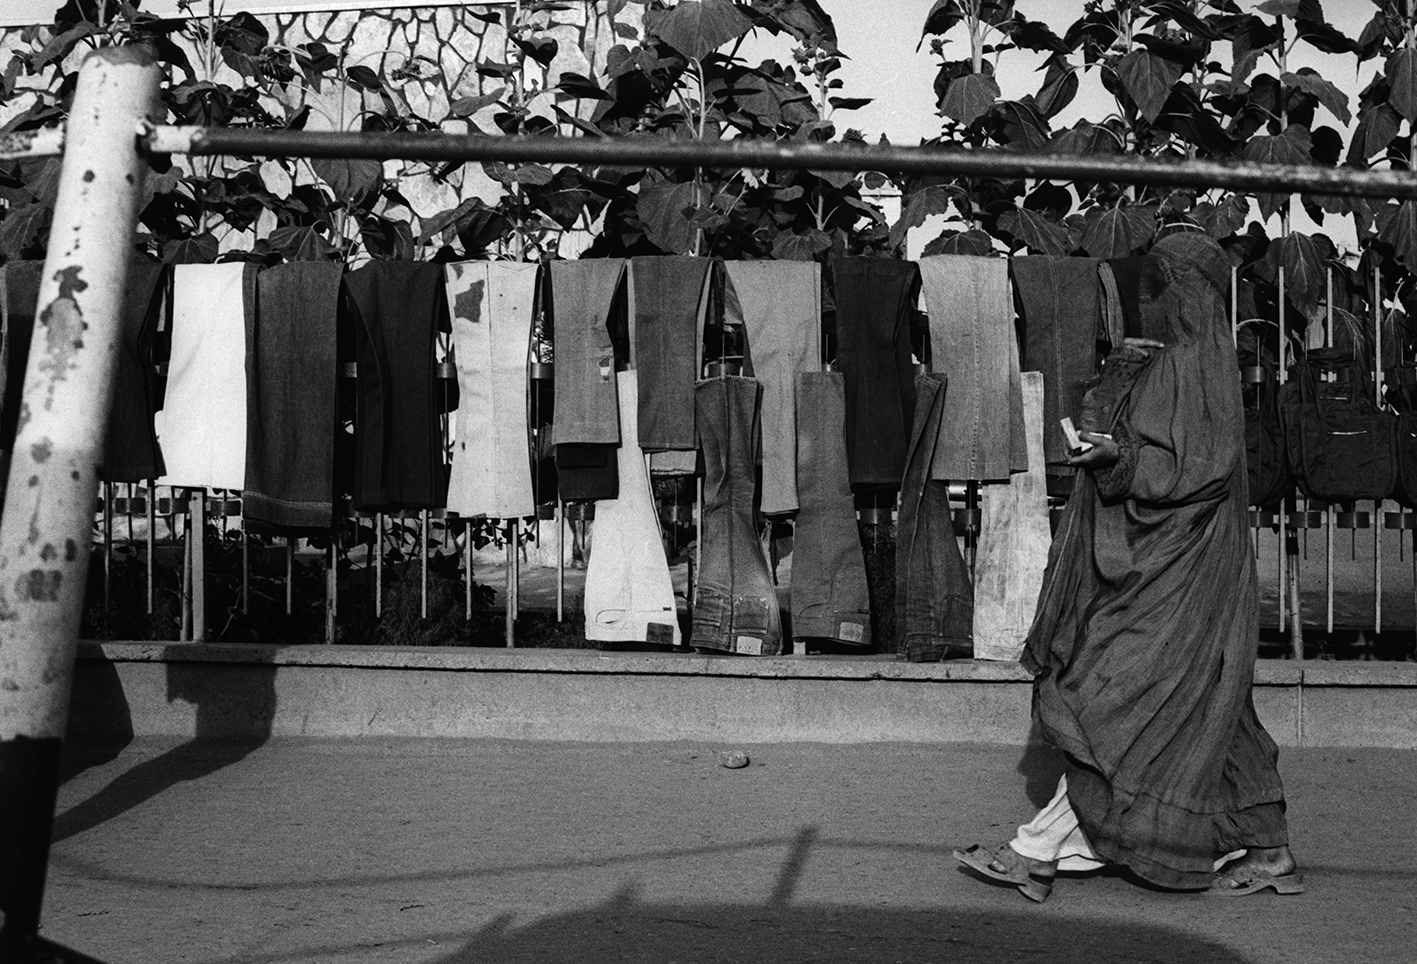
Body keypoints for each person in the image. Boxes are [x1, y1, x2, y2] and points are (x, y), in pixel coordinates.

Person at [955, 231, 1301, 902]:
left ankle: (1035, 849)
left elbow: (1196, 469)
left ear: (1188, 291)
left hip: (1176, 571)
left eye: (1162, 285)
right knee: (1211, 708)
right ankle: (1267, 847)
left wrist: (1117, 458)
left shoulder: (1192, 366)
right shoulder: (1191, 363)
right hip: (1182, 560)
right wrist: (1112, 448)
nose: (1154, 300)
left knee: (1110, 701)